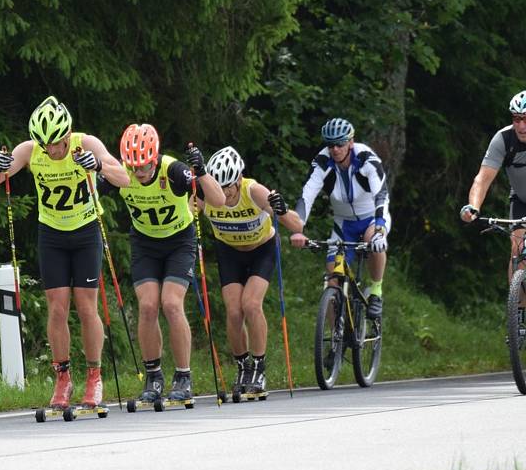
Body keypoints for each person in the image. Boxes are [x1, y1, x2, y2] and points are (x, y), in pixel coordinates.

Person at [0, 96, 130, 409]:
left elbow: (124, 178)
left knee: (86, 307)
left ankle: (94, 377)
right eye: (46, 145)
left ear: (68, 135)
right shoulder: (30, 150)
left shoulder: (85, 143)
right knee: (57, 308)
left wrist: (99, 165)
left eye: (58, 144)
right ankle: (63, 379)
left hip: (86, 231)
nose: (53, 151)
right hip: (52, 234)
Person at [97, 124, 225, 403]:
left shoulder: (174, 171)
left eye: (143, 166)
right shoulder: (123, 174)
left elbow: (219, 200)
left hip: (179, 241)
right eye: (133, 166)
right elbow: (89, 193)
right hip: (145, 244)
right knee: (147, 306)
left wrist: (201, 171)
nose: (138, 172)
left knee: (171, 303)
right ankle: (153, 376)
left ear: (155, 159)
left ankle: (183, 376)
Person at [193, 146, 302, 396]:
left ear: (239, 179)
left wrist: (283, 210)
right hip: (229, 251)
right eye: (219, 188)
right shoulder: (205, 194)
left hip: (261, 249)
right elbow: (185, 215)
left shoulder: (254, 191)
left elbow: (296, 225)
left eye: (229, 187)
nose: (225, 194)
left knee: (251, 305)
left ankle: (260, 367)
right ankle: (243, 366)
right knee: (233, 311)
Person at [289, 118, 391, 319]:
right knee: (332, 282)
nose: (335, 149)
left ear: (351, 142)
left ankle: (376, 290)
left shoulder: (366, 158)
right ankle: (335, 341)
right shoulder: (322, 161)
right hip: (343, 223)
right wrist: (297, 229)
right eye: (330, 145)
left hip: (372, 217)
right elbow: (306, 196)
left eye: (340, 144)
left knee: (374, 241)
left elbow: (381, 194)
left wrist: (380, 229)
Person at [460, 90, 526, 324]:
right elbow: (482, 179)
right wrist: (473, 207)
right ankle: (517, 311)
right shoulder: (504, 139)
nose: (521, 125)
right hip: (521, 200)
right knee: (517, 250)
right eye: (516, 118)